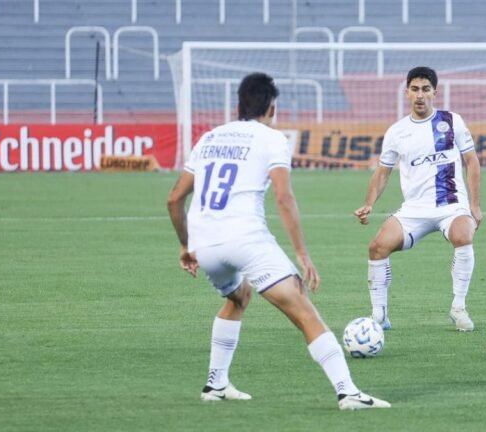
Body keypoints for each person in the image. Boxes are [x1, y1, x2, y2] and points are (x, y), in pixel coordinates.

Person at [167, 72, 390, 410]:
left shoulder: (208, 138)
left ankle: (216, 384)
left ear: (238, 104)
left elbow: (174, 200)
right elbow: (284, 198)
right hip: (246, 240)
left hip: (206, 247)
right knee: (303, 309)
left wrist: (186, 246)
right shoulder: (272, 138)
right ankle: (348, 393)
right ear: (272, 107)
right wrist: (302, 254)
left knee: (238, 297)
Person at [353, 66, 482, 332]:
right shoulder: (396, 131)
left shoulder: (452, 121)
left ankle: (458, 307)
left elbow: (472, 161)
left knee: (463, 235)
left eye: (425, 89)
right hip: (414, 210)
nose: (420, 95)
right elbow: (382, 173)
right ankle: (379, 315)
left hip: (451, 205)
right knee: (377, 247)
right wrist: (369, 203)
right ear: (407, 93)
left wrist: (475, 205)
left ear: (435, 92)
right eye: (414, 89)